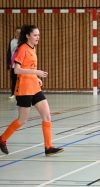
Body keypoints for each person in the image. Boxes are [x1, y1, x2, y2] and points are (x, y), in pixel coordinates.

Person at [0, 25, 64, 156]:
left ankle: (48, 147)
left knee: (47, 115)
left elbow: (29, 66)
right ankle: (2, 139)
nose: (38, 37)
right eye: (35, 35)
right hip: (24, 89)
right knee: (22, 120)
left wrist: (35, 77)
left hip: (34, 87)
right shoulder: (22, 49)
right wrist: (36, 72)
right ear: (28, 36)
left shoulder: (33, 48)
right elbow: (17, 70)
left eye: (38, 35)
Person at [6, 27, 21, 99]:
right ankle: (13, 93)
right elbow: (9, 52)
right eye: (17, 32)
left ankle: (21, 93)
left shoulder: (24, 41)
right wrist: (8, 62)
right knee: (14, 79)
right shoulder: (12, 41)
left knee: (22, 79)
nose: (18, 33)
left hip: (22, 65)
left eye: (20, 32)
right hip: (13, 64)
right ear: (15, 33)